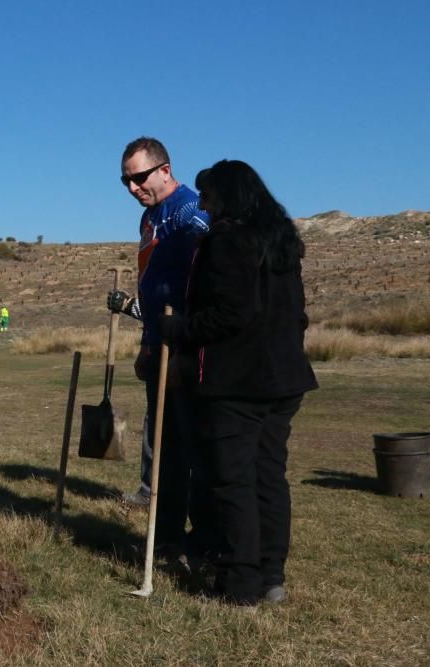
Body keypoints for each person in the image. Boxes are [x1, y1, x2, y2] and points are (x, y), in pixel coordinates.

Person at [160, 159, 317, 605]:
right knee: (269, 477)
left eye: (208, 198)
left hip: (238, 384)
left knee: (234, 482)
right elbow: (298, 314)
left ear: (228, 196)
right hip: (284, 380)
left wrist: (179, 330)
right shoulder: (282, 240)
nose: (205, 208)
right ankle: (271, 575)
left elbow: (231, 313)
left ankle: (241, 582)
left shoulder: (227, 240)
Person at [108, 136, 212, 561]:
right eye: (125, 181)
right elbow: (153, 284)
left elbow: (212, 247)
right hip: (159, 343)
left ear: (165, 170)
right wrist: (148, 342)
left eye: (139, 177)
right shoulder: (150, 218)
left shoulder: (188, 207)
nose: (133, 187)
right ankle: (166, 537)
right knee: (166, 448)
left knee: (195, 448)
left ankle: (202, 539)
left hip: (189, 348)